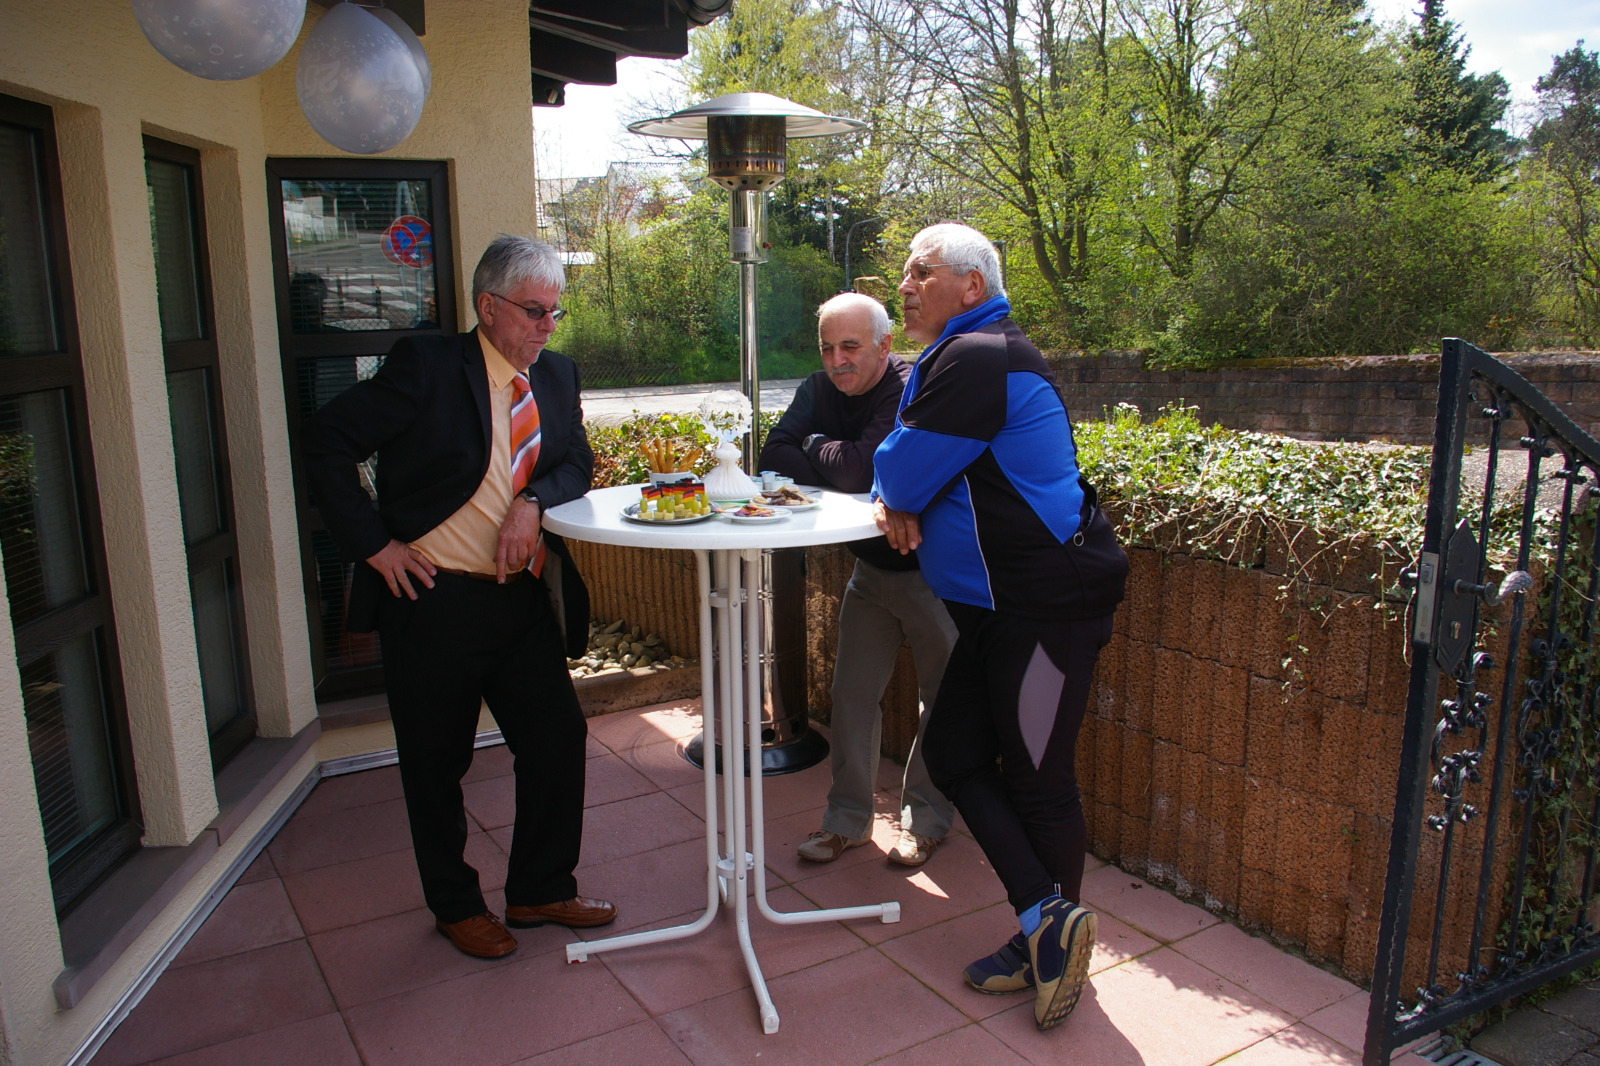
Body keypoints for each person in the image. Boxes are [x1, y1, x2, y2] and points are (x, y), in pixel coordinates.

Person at [304, 234, 614, 960]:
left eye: (556, 313)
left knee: (556, 738)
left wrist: (532, 501)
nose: (547, 327)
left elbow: (576, 460)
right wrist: (375, 546)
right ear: (488, 307)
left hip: (521, 600)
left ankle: (539, 887)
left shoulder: (558, 376)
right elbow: (326, 441)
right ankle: (454, 904)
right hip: (433, 600)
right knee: (436, 763)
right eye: (535, 312)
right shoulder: (429, 367)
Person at [873, 223, 1128, 1031]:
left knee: (1039, 778)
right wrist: (897, 490)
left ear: (972, 287)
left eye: (923, 272)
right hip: (995, 611)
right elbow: (899, 465)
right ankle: (1046, 923)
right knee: (952, 753)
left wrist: (898, 492)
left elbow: (900, 468)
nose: (905, 285)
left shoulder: (982, 355)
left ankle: (1047, 944)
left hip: (1046, 611)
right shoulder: (963, 354)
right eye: (905, 272)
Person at [759, 292, 958, 869]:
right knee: (850, 698)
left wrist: (816, 446)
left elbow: (864, 469)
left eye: (850, 346)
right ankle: (845, 822)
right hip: (870, 570)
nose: (836, 360)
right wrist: (836, 456)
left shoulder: (909, 384)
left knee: (940, 704)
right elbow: (772, 454)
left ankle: (926, 822)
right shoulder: (817, 388)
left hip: (933, 574)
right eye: (827, 347)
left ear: (885, 344)